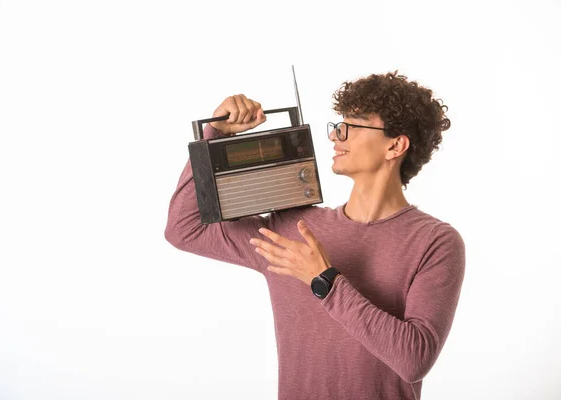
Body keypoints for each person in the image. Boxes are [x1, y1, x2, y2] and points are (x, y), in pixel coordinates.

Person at [165, 71, 465, 400]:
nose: (336, 135)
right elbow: (185, 227)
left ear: (395, 145)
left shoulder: (435, 242)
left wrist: (324, 280)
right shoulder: (292, 228)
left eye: (354, 124)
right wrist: (215, 134)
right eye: (338, 124)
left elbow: (414, 359)